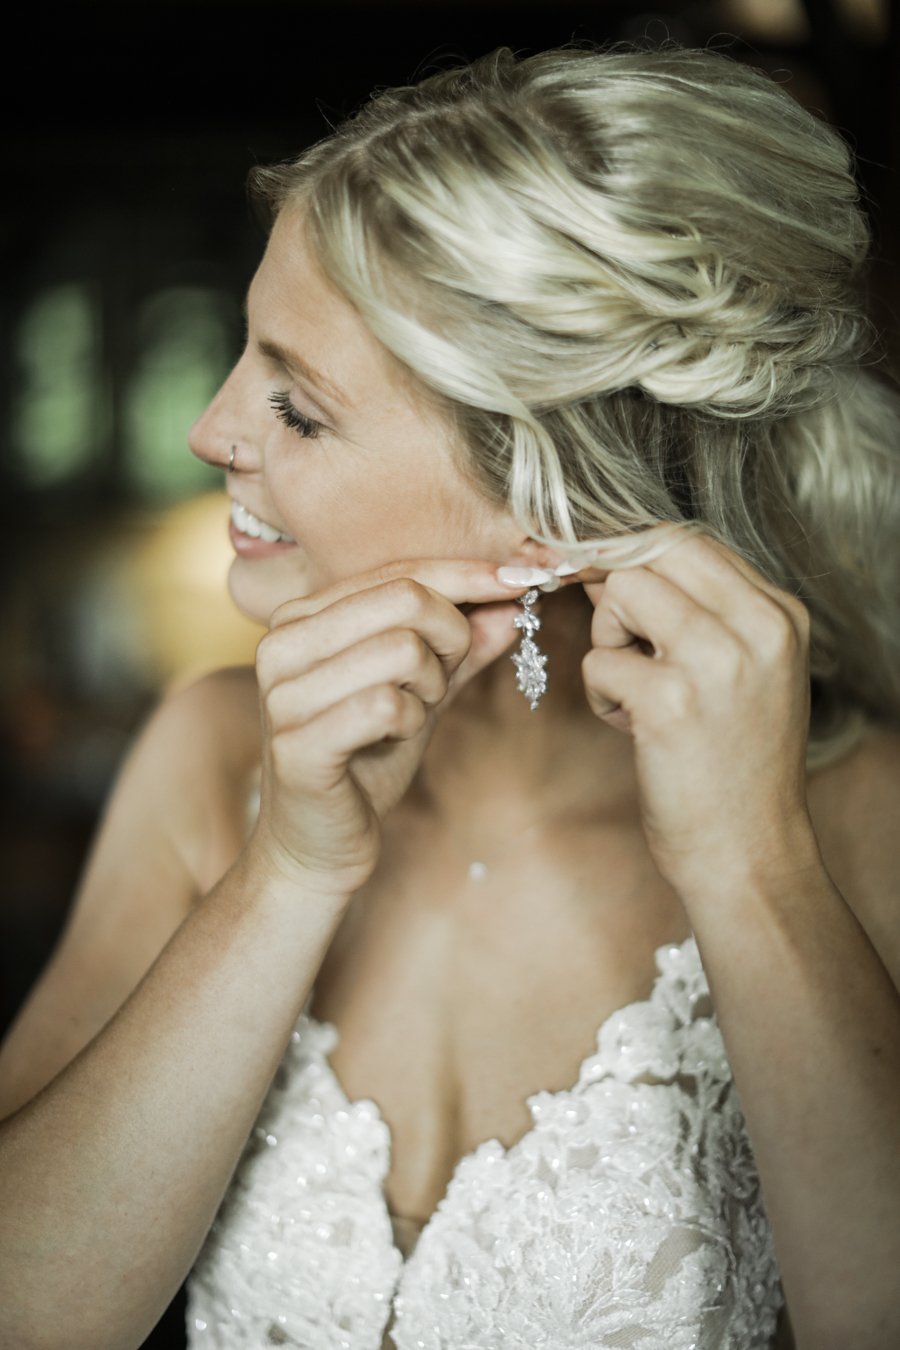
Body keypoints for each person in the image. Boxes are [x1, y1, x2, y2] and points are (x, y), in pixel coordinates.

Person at [1, 39, 899, 1350]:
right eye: (247, 355)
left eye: (298, 408)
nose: (211, 427)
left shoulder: (856, 817)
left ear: (544, 511)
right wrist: (288, 872)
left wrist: (748, 862)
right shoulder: (203, 756)